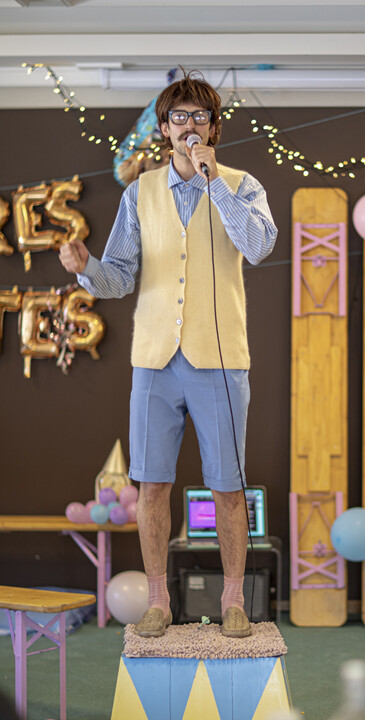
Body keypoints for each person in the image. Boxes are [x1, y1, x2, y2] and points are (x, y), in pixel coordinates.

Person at [59, 71, 277, 639]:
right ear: (163, 128)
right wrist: (85, 268)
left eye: (199, 117)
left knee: (227, 487)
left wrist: (214, 183)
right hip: (155, 360)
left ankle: (234, 600)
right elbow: (118, 277)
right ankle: (158, 600)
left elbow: (258, 246)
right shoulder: (140, 192)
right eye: (178, 117)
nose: (188, 126)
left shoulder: (241, 184)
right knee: (151, 485)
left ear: (213, 129)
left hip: (221, 359)